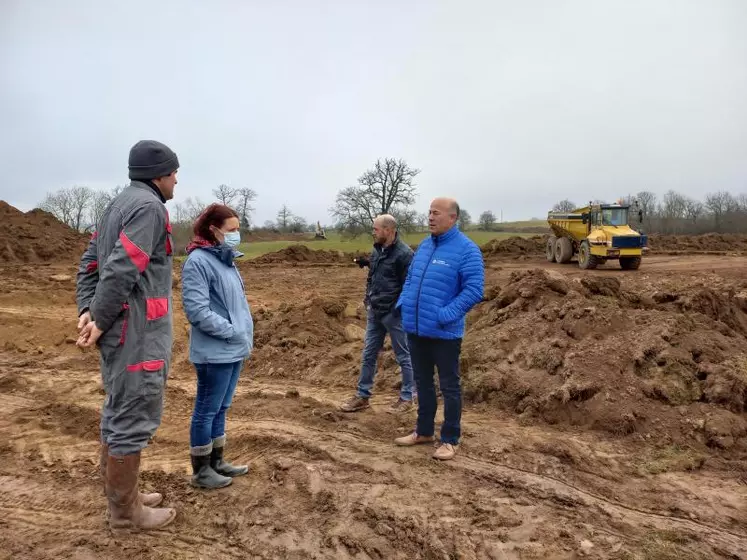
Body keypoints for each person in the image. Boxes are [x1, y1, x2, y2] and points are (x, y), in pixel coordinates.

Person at [76, 140, 179, 529]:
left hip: (123, 330)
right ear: (158, 174)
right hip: (138, 333)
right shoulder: (150, 208)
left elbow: (89, 265)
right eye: (173, 173)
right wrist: (98, 318)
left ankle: (125, 494)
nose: (176, 180)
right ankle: (125, 513)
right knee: (133, 411)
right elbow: (121, 268)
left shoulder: (117, 205)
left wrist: (88, 311)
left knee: (119, 407)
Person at [393, 198, 484, 461]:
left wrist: (446, 314)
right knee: (422, 382)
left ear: (452, 218)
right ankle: (423, 432)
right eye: (429, 212)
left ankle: (450, 439)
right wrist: (404, 303)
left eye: (436, 213)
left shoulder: (467, 250)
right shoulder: (424, 245)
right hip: (416, 328)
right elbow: (411, 278)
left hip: (445, 332)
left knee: (449, 386)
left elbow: (474, 290)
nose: (430, 217)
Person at [181, 204, 253, 489]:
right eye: (232, 230)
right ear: (213, 230)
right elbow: (197, 311)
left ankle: (217, 461)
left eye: (238, 229)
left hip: (233, 348)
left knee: (221, 407)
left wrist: (241, 334)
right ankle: (201, 471)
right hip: (215, 351)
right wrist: (232, 331)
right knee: (206, 409)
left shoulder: (226, 260)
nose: (237, 235)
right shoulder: (198, 262)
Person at [340, 214, 416, 414]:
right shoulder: (376, 251)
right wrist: (368, 300)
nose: (373, 232)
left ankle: (407, 398)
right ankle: (362, 396)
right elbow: (371, 278)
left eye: (376, 229)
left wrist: (398, 309)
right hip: (375, 312)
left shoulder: (404, 254)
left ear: (388, 230)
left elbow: (409, 286)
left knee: (404, 356)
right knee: (368, 354)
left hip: (394, 314)